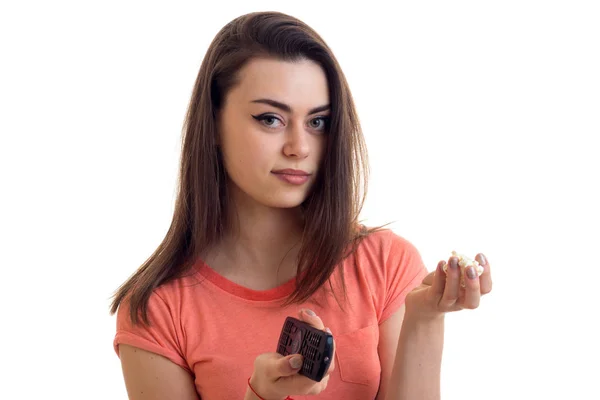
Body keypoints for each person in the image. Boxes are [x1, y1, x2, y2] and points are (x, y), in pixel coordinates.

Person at [109, 11, 492, 400]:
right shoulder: (156, 310)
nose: (300, 147)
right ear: (213, 125)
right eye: (271, 119)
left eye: (318, 122)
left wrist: (424, 318)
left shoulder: (386, 264)